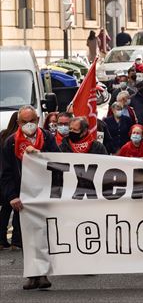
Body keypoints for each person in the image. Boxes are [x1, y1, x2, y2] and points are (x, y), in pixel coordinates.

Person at [0, 106, 60, 290]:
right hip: (23, 197)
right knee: (27, 238)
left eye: (32, 121)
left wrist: (40, 156)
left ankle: (43, 274)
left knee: (43, 235)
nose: (29, 125)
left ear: (37, 120)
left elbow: (58, 162)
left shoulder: (48, 138)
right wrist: (12, 196)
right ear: (18, 123)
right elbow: (6, 172)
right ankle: (32, 275)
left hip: (43, 194)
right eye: (25, 122)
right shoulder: (11, 143)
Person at [0, 111, 19, 250]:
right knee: (17, 209)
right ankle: (16, 241)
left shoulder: (3, 134)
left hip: (4, 177)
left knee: (5, 209)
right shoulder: (15, 138)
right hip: (15, 176)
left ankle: (1, 239)